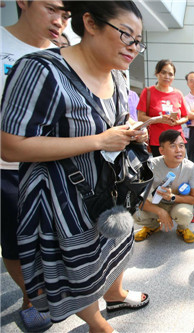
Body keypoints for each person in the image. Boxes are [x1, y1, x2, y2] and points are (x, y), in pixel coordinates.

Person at [1, 2, 149, 331]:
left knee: (110, 256)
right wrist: (98, 141)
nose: (133, 48)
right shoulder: (41, 69)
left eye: (139, 41)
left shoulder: (119, 78)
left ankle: (113, 296)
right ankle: (98, 323)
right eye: (126, 35)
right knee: (75, 274)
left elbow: (116, 127)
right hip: (60, 204)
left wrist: (130, 132)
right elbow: (10, 146)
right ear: (90, 23)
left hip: (105, 195)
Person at [0, 1, 69, 331]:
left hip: (58, 167)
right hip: (7, 169)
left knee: (56, 238)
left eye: (66, 15)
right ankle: (31, 294)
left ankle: (53, 290)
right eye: (52, 9)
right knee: (15, 242)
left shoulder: (67, 55)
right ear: (23, 2)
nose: (59, 21)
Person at [134, 130, 194, 243]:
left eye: (181, 146)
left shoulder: (191, 168)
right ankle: (152, 226)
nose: (178, 150)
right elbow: (137, 199)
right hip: (157, 202)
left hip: (178, 202)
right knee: (136, 213)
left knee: (184, 214)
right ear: (161, 150)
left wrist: (172, 197)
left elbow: (193, 198)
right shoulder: (150, 166)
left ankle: (182, 229)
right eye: (173, 146)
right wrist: (161, 212)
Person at [137, 59, 189, 157]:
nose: (167, 76)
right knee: (160, 170)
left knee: (179, 170)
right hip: (158, 142)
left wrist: (177, 122)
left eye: (170, 74)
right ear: (157, 73)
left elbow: (185, 117)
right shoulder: (148, 92)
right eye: (163, 72)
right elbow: (141, 117)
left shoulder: (178, 94)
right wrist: (159, 120)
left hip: (177, 140)